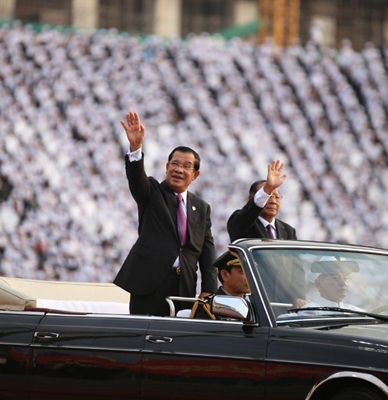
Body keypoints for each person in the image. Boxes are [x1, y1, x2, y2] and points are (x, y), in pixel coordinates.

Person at [113, 111, 217, 316]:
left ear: (195, 175)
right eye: (175, 164)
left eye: (186, 166)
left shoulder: (201, 207)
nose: (179, 169)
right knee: (145, 332)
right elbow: (136, 179)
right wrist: (135, 148)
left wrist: (209, 289)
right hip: (149, 284)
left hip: (184, 287)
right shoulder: (152, 192)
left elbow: (207, 251)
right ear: (167, 167)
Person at [226, 160, 305, 308]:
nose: (273, 201)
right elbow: (246, 215)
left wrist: (299, 296)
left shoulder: (288, 230)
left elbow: (296, 268)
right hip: (254, 300)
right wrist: (267, 188)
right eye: (269, 196)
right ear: (251, 199)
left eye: (277, 197)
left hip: (284, 303)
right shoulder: (242, 221)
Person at [193, 251, 249, 320]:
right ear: (225, 275)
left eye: (250, 272)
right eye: (242, 272)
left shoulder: (254, 303)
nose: (250, 277)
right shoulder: (208, 306)